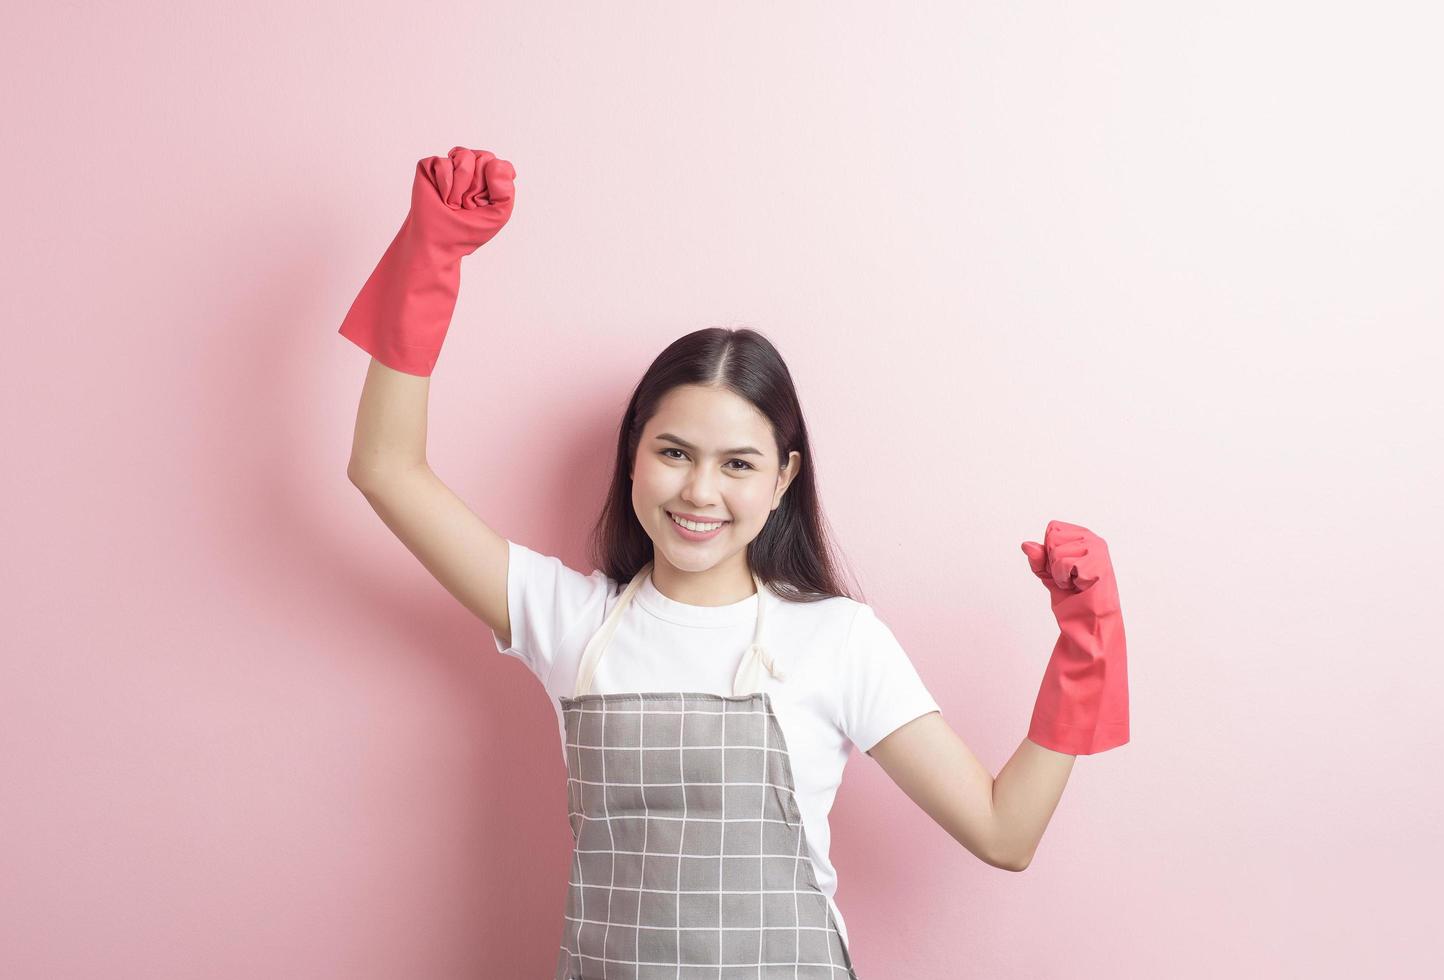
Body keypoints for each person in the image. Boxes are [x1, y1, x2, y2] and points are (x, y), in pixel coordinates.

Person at [340, 147, 1130, 980]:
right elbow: (386, 468)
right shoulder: (567, 620)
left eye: (739, 464)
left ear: (785, 476)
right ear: (634, 456)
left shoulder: (838, 641)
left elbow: (1005, 834)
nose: (700, 491)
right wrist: (430, 257)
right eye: (675, 452)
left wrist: (1087, 646)